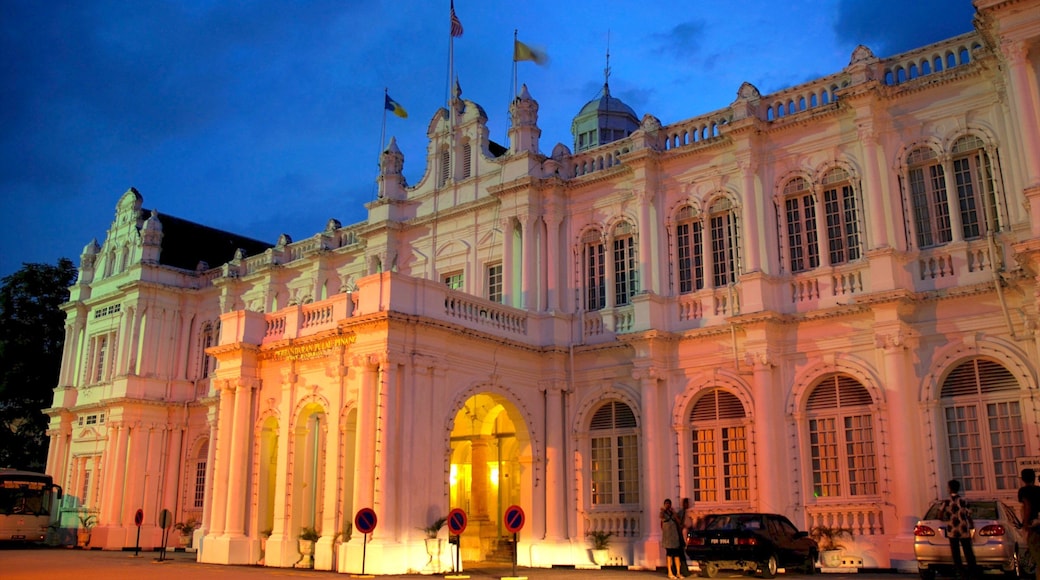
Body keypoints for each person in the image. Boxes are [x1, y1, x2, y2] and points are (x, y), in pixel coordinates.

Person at [941, 479, 977, 580]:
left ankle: (961, 572)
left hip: (952, 530)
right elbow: (969, 515)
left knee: (955, 553)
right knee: (968, 551)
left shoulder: (947, 502)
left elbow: (940, 514)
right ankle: (973, 572)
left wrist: (946, 518)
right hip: (963, 528)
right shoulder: (963, 501)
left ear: (949, 488)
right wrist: (971, 525)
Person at [1019, 468, 1040, 580]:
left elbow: (1027, 505)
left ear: (1022, 479)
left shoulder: (1024, 491)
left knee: (1036, 554)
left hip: (1032, 526)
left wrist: (1026, 523)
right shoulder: (1038, 490)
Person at [660, 498, 684, 579]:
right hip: (667, 537)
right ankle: (670, 572)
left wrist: (673, 513)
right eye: (666, 503)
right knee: (669, 554)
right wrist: (663, 511)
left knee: (677, 555)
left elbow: (678, 521)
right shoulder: (663, 513)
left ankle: (678, 572)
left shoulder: (673, 513)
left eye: (669, 503)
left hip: (674, 536)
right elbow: (661, 517)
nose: (668, 505)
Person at [678, 498, 692, 578]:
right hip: (682, 534)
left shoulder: (687, 513)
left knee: (682, 553)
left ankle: (683, 570)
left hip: (685, 533)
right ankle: (683, 570)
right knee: (681, 553)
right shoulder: (682, 512)